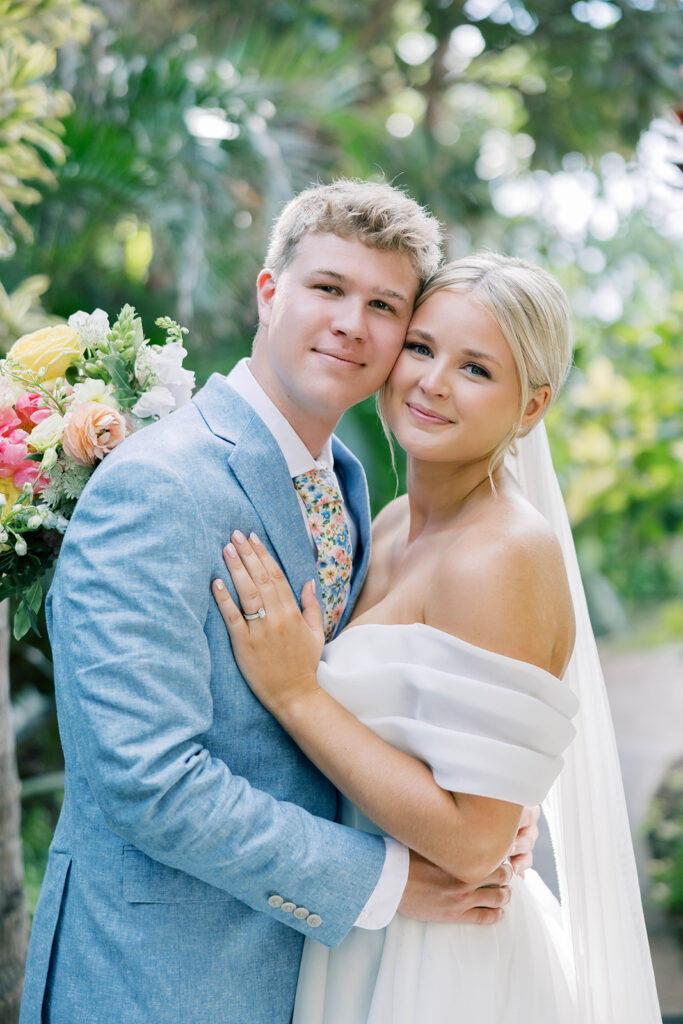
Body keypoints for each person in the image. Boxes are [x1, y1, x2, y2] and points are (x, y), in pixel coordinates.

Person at [20, 183, 540, 1024]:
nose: (351, 323)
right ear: (270, 294)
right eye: (327, 289)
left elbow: (366, 711)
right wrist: (394, 879)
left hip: (320, 980)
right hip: (163, 981)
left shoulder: (350, 489)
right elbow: (150, 783)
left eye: (383, 305)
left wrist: (477, 807)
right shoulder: (157, 485)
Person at [212, 253, 663, 1022]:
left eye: (476, 368)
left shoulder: (502, 555)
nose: (431, 382)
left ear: (530, 407)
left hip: (441, 963)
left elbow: (472, 844)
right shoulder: (387, 525)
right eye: (420, 348)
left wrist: (294, 692)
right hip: (361, 922)